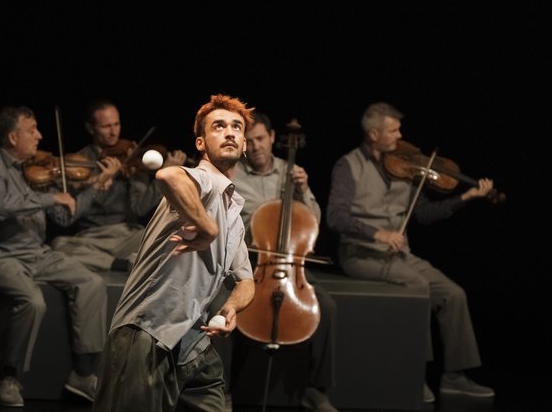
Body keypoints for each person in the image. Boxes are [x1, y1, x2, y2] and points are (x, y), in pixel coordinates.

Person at [92, 94, 256, 411]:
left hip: (194, 342)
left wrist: (229, 310)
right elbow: (168, 175)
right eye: (219, 126)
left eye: (237, 127)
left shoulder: (234, 215)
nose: (230, 132)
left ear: (245, 144)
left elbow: (246, 282)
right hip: (148, 333)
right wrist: (205, 225)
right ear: (200, 142)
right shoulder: (202, 180)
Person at [325, 101, 495, 404]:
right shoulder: (348, 165)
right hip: (360, 254)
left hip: (400, 255)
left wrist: (466, 197)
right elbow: (336, 217)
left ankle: (454, 376)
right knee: (418, 288)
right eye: (393, 130)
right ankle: (414, 373)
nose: (400, 134)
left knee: (453, 293)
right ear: (374, 134)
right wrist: (378, 233)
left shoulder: (405, 167)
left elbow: (426, 214)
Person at [0, 106, 108, 407]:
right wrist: (51, 196)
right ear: (12, 137)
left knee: (92, 283)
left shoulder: (37, 169)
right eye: (32, 130)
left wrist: (94, 188)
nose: (40, 135)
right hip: (1, 255)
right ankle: (9, 377)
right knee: (33, 301)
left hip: (38, 254)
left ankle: (83, 374)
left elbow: (62, 217)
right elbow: (2, 204)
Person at [224, 112, 338, 412]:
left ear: (273, 138)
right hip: (249, 261)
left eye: (261, 138)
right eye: (249, 141)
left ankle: (316, 389)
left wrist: (301, 191)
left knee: (326, 306)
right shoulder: (234, 174)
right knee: (225, 307)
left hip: (289, 263)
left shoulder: (293, 173)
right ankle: (222, 389)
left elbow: (312, 221)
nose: (256, 145)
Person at [51, 98, 187, 272]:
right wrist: (97, 184)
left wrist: (163, 177)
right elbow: (71, 214)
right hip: (92, 237)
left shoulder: (133, 159)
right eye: (106, 127)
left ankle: (110, 261)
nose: (113, 132)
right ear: (90, 128)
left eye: (116, 124)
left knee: (173, 237)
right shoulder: (78, 163)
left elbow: (140, 208)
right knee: (59, 245)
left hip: (127, 234)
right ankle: (120, 264)